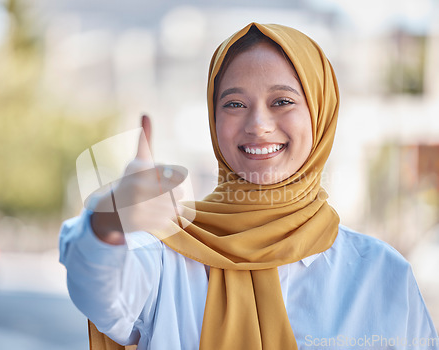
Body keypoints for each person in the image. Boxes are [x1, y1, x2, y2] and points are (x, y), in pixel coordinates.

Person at [59, 22, 439, 350]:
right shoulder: (166, 255)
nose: (258, 124)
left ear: (321, 112)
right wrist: (109, 218)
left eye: (282, 101)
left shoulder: (381, 275)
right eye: (235, 104)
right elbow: (98, 288)